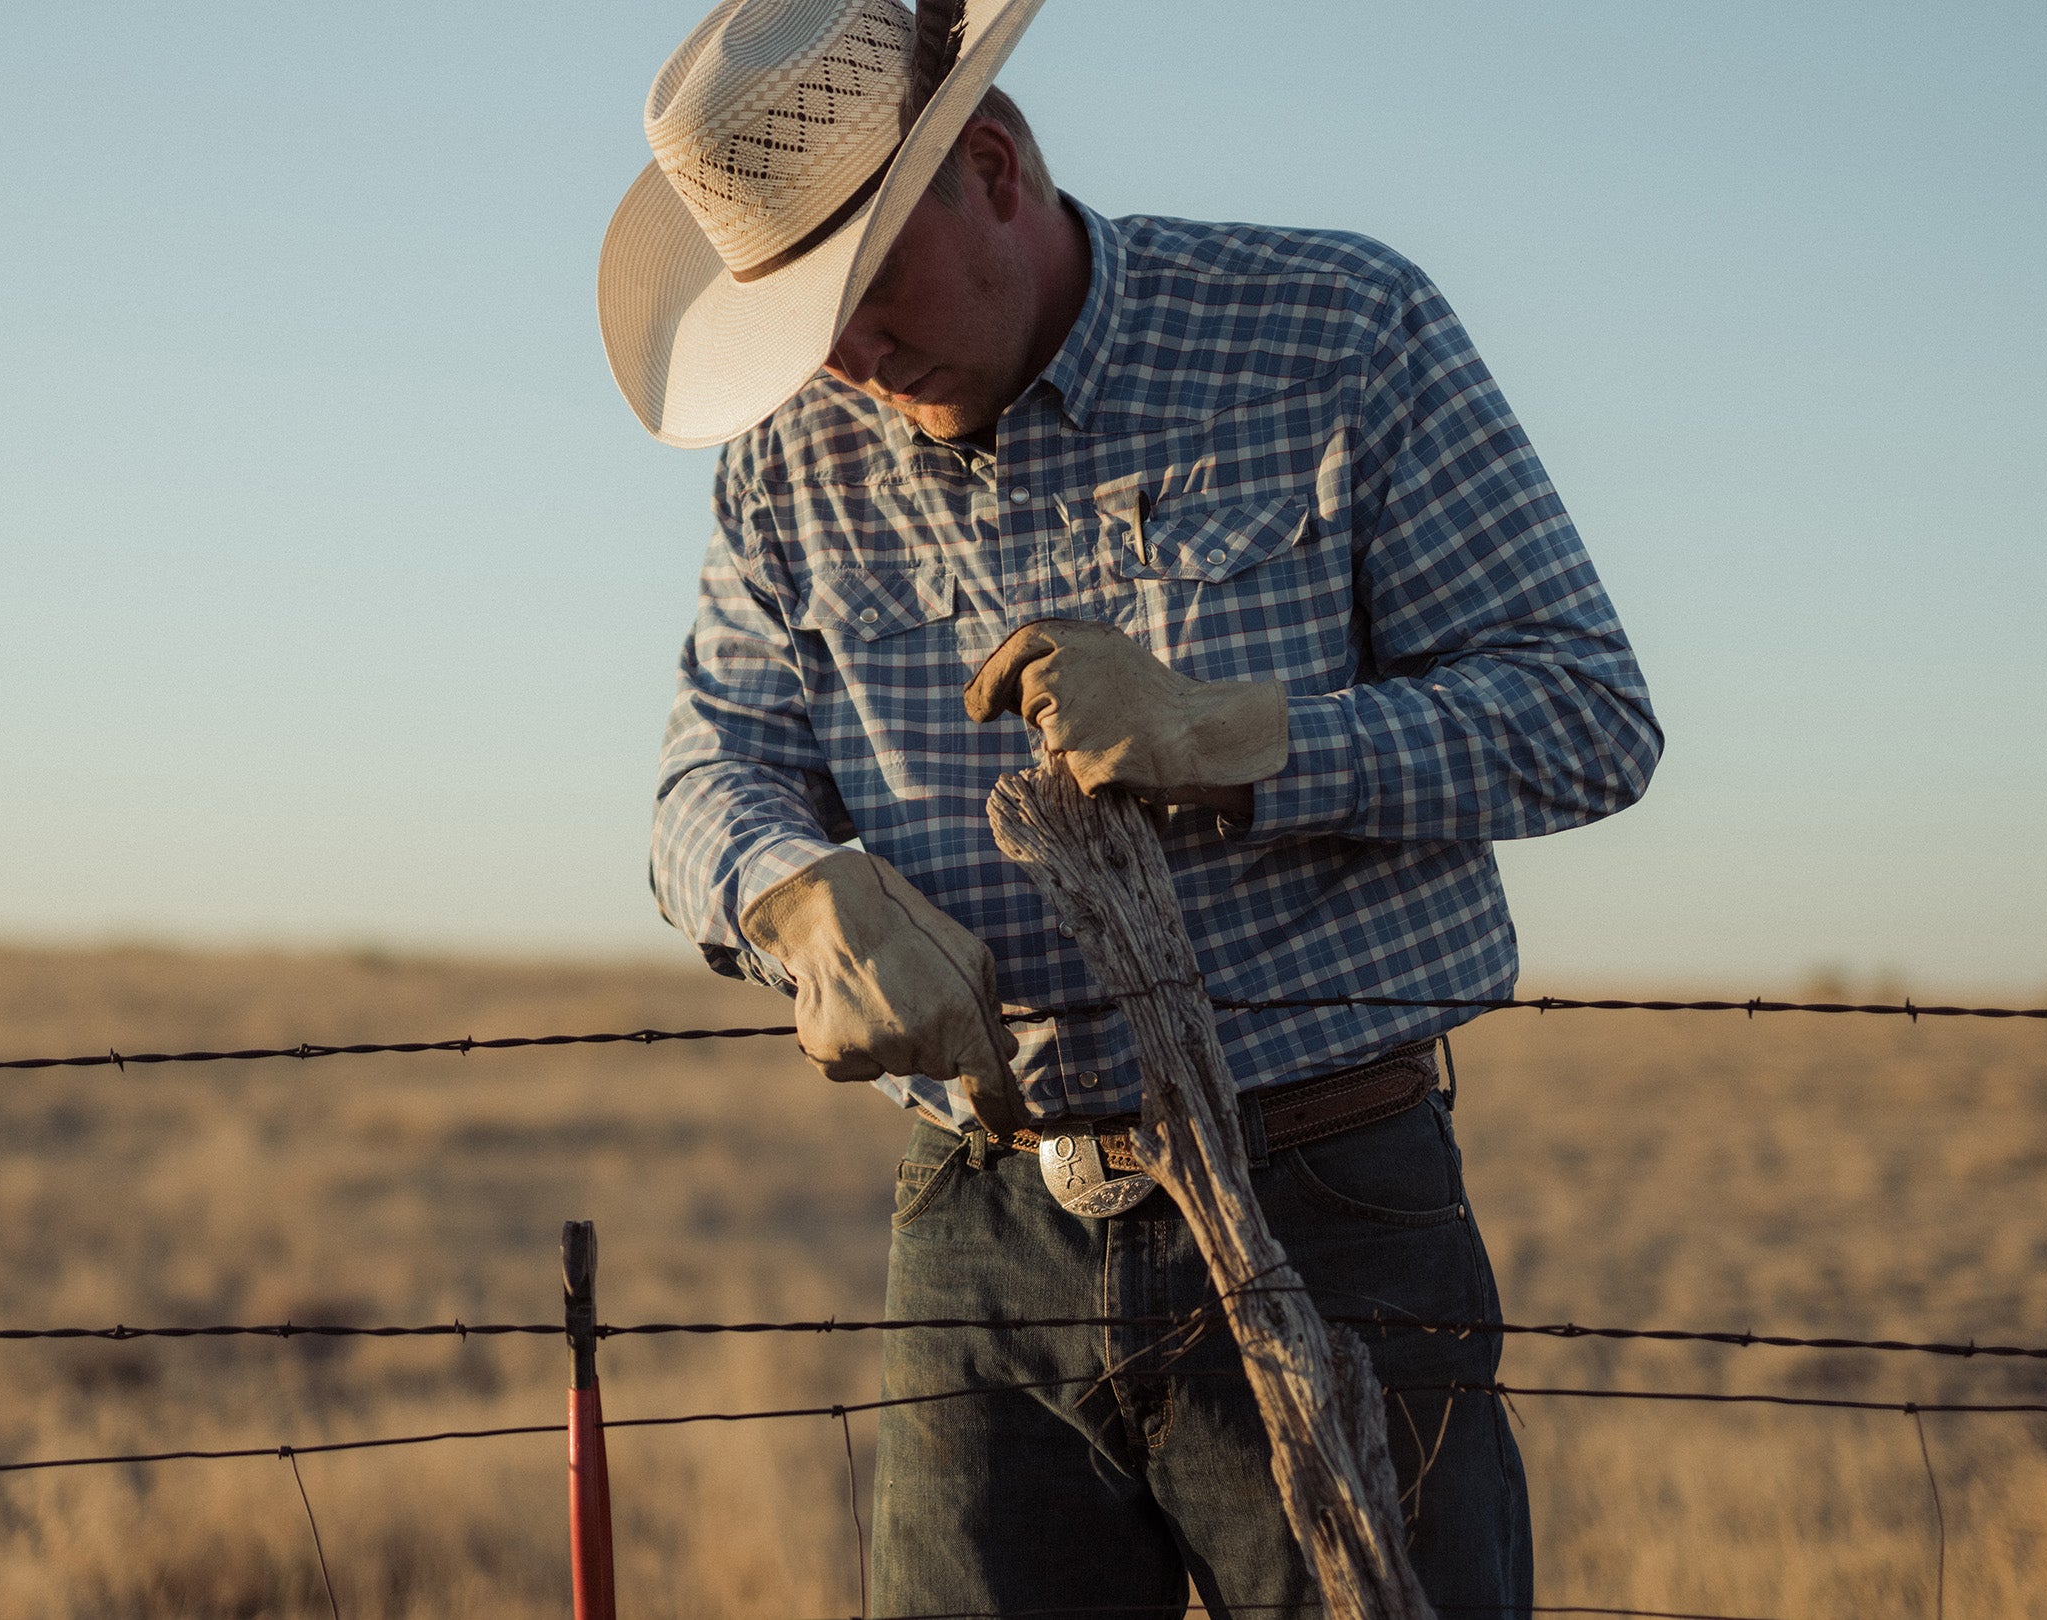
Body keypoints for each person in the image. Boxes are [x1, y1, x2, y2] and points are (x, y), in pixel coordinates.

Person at [598, 2, 1662, 1613]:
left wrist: (1235, 734)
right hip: (979, 1229)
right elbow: (706, 776)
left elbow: (1588, 717)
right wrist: (792, 894)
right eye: (792, 317)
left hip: (1325, 1197)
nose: (841, 359)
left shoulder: (1335, 332)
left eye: (866, 282)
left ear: (999, 169)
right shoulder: (792, 462)